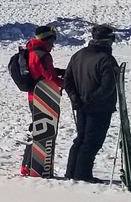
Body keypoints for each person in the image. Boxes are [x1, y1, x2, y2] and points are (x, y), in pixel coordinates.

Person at [64, 25, 120, 182]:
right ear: (109, 40)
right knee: (91, 142)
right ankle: (82, 174)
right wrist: (89, 100)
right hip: (99, 108)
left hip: (82, 105)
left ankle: (72, 172)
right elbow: (108, 85)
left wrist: (76, 98)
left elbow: (68, 80)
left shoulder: (78, 55)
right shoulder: (106, 59)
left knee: (81, 139)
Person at [19, 24, 65, 175]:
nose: (53, 45)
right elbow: (50, 78)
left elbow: (41, 72)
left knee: (37, 130)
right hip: (44, 97)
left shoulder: (32, 50)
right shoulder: (43, 54)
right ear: (47, 39)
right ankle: (35, 165)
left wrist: (61, 72)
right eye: (52, 40)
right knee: (44, 133)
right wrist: (68, 83)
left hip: (34, 95)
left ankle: (27, 165)